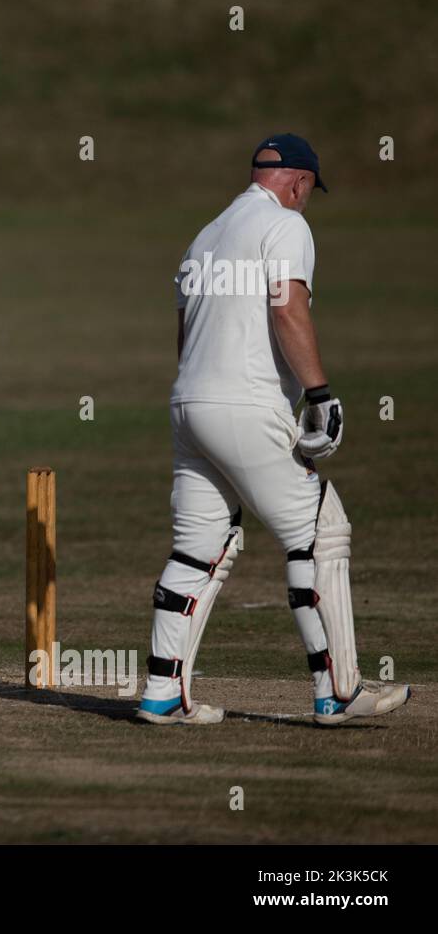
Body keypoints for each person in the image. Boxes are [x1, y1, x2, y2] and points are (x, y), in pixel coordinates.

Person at [137, 134, 411, 725]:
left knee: (199, 546)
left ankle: (162, 693)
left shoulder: (206, 234)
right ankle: (339, 690)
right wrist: (319, 394)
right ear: (300, 182)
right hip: (245, 404)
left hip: (189, 402)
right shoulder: (285, 226)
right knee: (320, 530)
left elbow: (187, 333)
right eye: (310, 192)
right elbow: (287, 307)